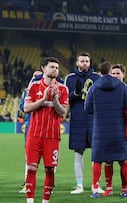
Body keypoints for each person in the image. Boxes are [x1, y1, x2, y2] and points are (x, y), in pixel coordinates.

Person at [85, 61, 127, 198]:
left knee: (98, 159)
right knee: (123, 160)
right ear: (110, 71)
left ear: (99, 73)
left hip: (100, 130)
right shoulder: (121, 86)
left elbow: (87, 108)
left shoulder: (94, 87)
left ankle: (96, 189)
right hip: (118, 129)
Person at [24, 57, 69, 203]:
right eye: (52, 67)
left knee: (50, 169)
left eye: (56, 67)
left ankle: (45, 201)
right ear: (43, 68)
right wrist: (43, 100)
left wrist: (55, 100)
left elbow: (63, 112)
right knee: (31, 168)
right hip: (34, 134)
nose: (55, 70)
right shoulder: (34, 86)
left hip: (53, 135)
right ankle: (30, 201)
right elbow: (26, 108)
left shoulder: (63, 89)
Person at [64, 52, 102, 194]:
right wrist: (76, 94)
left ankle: (95, 184)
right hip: (77, 120)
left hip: (94, 120)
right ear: (77, 63)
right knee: (78, 152)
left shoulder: (97, 78)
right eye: (82, 61)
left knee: (96, 153)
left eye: (87, 61)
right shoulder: (70, 78)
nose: (85, 63)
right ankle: (79, 185)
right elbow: (65, 99)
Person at [101, 63, 127, 197]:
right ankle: (109, 187)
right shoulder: (104, 89)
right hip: (108, 130)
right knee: (108, 160)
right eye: (112, 73)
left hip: (123, 130)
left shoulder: (126, 89)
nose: (115, 76)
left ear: (123, 75)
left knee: (124, 159)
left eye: (118, 73)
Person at [19, 70, 43, 194]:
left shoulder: (49, 89)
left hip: (46, 125)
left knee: (48, 156)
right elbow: (23, 106)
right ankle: (26, 182)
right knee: (29, 156)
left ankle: (49, 182)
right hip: (31, 125)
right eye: (34, 76)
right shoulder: (27, 91)